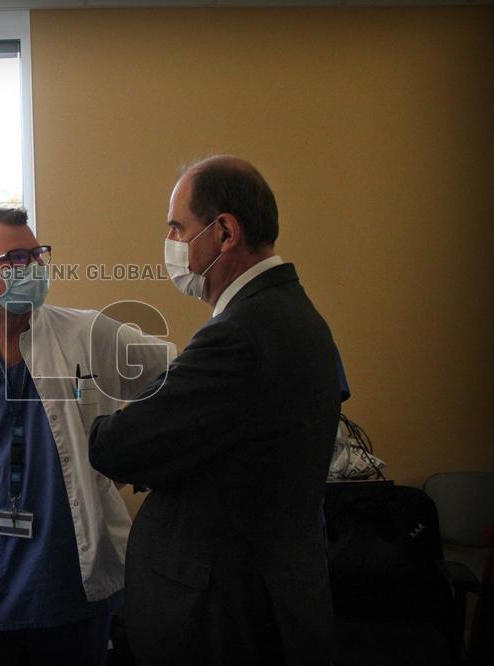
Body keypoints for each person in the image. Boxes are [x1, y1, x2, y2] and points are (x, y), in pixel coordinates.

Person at [89, 156, 341, 664]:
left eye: (178, 228)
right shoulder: (296, 315)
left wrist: (136, 398)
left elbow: (116, 444)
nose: (171, 243)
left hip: (225, 618)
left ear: (224, 232)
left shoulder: (237, 336)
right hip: (271, 599)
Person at [0, 206, 173, 666]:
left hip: (75, 594)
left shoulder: (88, 334)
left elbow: (174, 373)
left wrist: (138, 453)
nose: (34, 267)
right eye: (16, 258)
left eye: (37, 254)